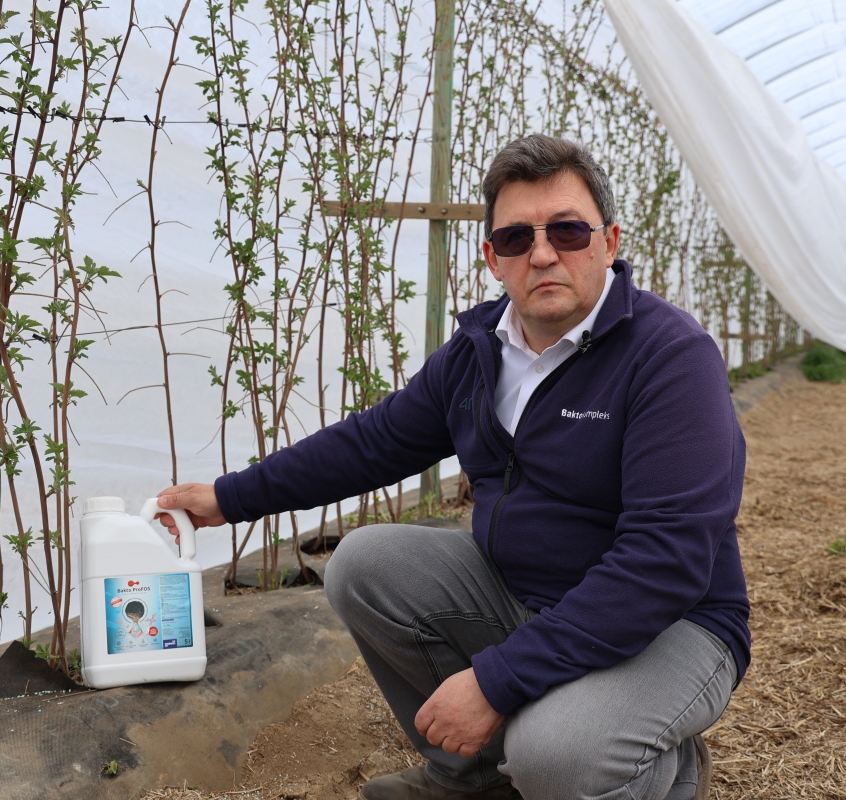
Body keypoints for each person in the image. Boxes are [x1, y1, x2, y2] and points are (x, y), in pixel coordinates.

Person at [153, 134, 750, 800]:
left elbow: (664, 562)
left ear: (608, 243)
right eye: (517, 238)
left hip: (672, 623)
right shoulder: (480, 352)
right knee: (365, 564)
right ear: (494, 258)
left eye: (568, 231)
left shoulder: (669, 357)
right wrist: (229, 498)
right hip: (526, 594)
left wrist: (497, 681)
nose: (543, 254)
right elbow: (372, 442)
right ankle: (472, 780)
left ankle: (667, 772)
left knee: (556, 754)